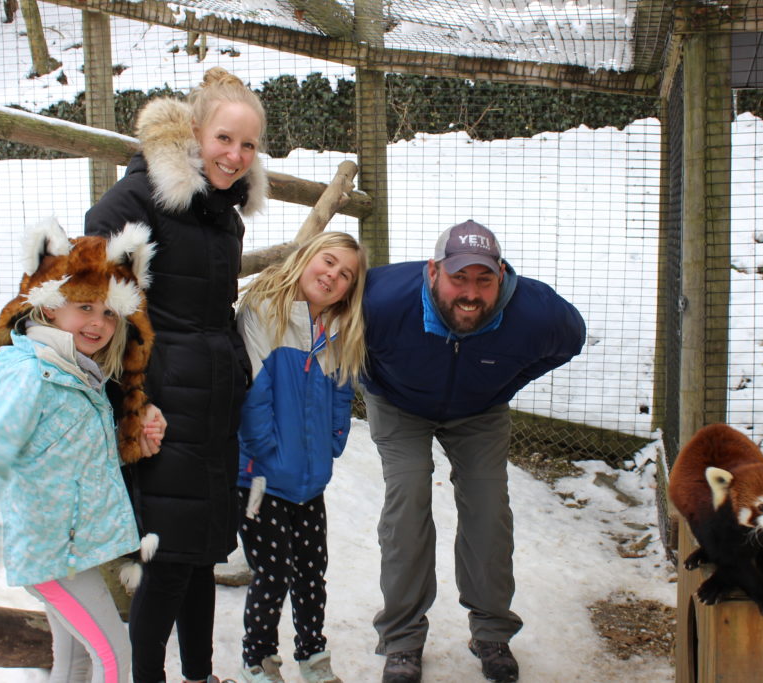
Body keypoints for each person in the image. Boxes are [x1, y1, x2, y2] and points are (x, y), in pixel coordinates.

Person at [84, 66, 268, 683]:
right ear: (194, 132)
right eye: (224, 139)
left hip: (212, 401)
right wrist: (131, 392)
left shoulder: (224, 212)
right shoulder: (146, 194)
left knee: (199, 551)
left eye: (248, 145)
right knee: (166, 556)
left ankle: (198, 674)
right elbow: (92, 270)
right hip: (165, 400)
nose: (236, 155)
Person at [361, 220, 586, 683]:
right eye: (458, 277)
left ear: (501, 275)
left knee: (488, 511)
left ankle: (491, 632)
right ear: (432, 272)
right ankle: (402, 640)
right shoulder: (380, 300)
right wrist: (375, 381)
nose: (471, 292)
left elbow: (571, 341)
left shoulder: (538, 314)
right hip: (399, 404)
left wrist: (501, 384)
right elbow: (335, 337)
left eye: (484, 279)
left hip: (479, 411)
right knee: (407, 502)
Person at [0, 219, 163, 683]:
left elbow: (67, 450)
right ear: (49, 308)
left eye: (110, 312)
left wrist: (134, 433)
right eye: (84, 306)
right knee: (116, 659)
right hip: (53, 554)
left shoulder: (77, 374)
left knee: (75, 661)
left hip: (69, 551)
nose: (99, 322)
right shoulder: (29, 374)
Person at [234, 232, 367, 683]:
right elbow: (253, 392)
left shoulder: (337, 329)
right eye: (327, 262)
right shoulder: (265, 311)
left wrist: (332, 443)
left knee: (312, 574)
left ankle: (312, 655)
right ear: (307, 258)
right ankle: (258, 660)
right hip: (260, 479)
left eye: (345, 273)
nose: (332, 275)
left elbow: (341, 392)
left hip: (311, 480)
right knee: (273, 573)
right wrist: (266, 451)